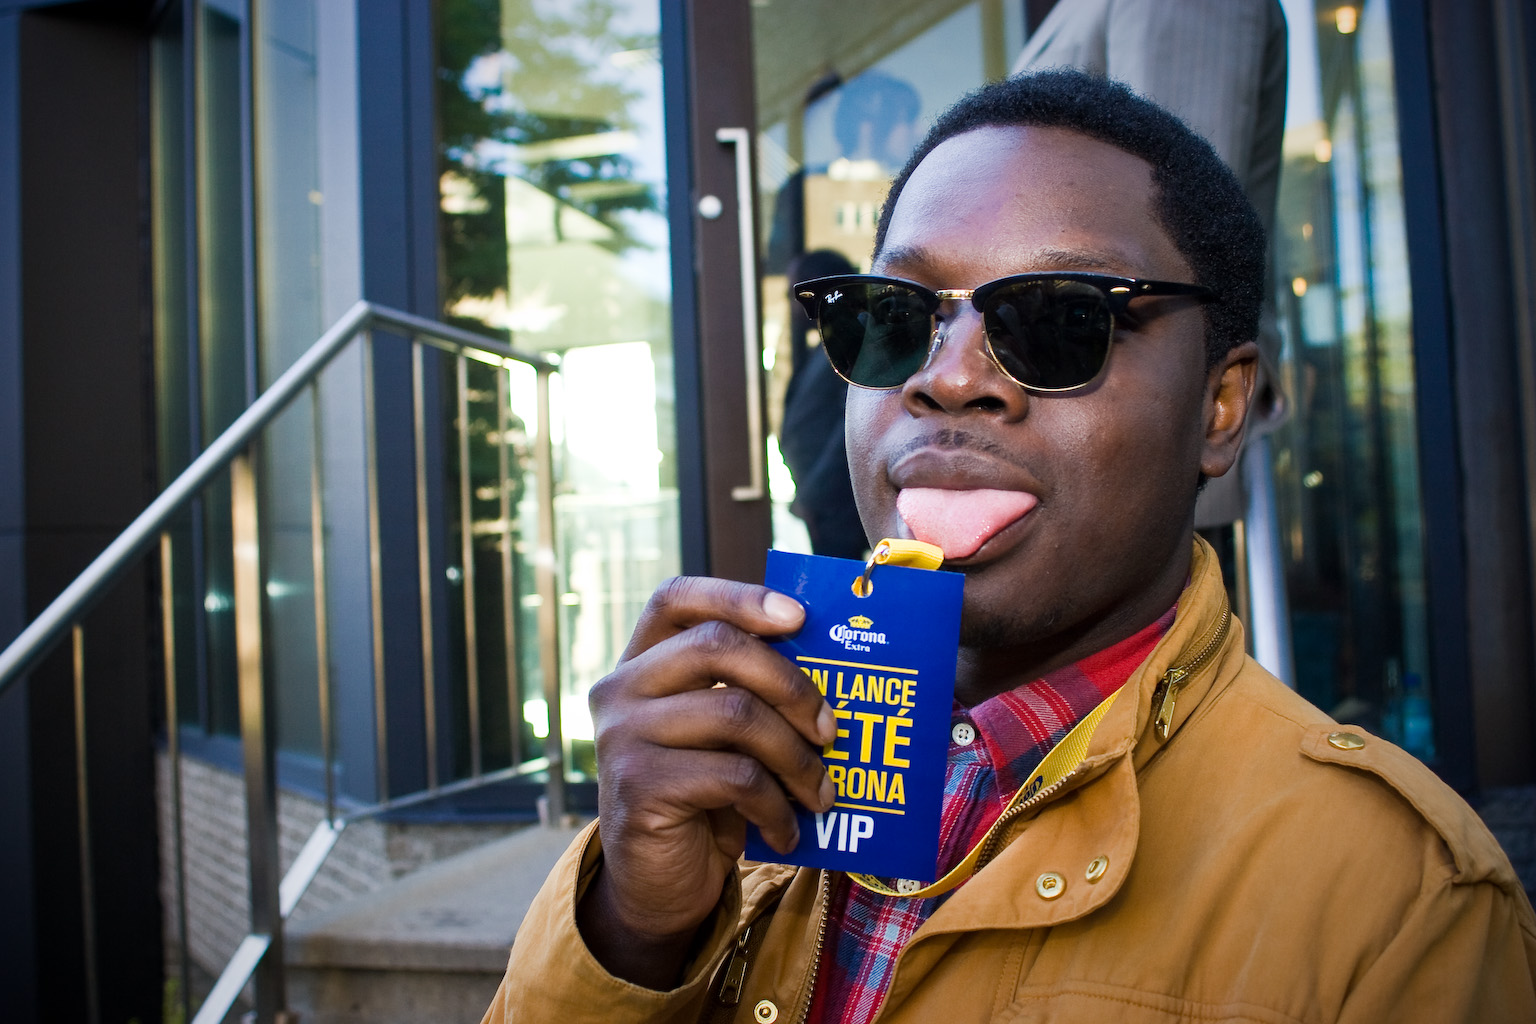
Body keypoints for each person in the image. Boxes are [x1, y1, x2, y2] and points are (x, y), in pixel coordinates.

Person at [482, 71, 1536, 1023]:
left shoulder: (1400, 902)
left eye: (1058, 318)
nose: (946, 376)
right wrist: (632, 933)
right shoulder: (726, 776)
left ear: (1221, 408)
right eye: (895, 316)